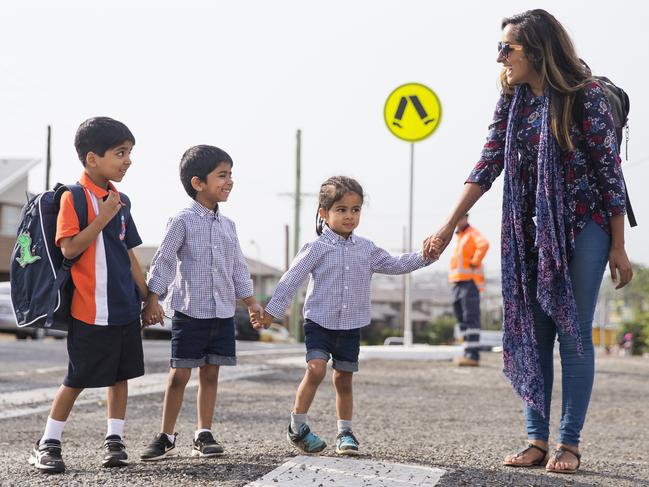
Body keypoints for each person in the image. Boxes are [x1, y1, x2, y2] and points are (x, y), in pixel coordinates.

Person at [423, 9, 633, 475]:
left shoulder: (586, 98)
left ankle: (569, 443)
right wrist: (446, 225)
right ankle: (536, 440)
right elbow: (487, 164)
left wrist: (618, 245)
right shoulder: (513, 100)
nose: (499, 57)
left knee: (572, 333)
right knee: (533, 332)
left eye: (507, 48)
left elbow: (610, 174)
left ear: (537, 49)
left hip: (587, 226)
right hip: (531, 229)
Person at [259, 176, 435, 456]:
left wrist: (426, 257)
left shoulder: (366, 249)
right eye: (341, 209)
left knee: (343, 379)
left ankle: (345, 432)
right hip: (319, 321)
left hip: (351, 325)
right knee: (315, 369)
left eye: (355, 210)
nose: (349, 216)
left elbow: (395, 263)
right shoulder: (315, 247)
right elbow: (292, 278)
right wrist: (271, 312)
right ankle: (298, 425)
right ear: (324, 213)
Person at [29, 117, 147, 473]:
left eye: (129, 153)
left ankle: (115, 440)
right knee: (77, 377)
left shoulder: (120, 199)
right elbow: (68, 249)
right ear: (92, 159)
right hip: (88, 308)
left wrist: (149, 296)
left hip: (124, 307)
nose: (127, 161)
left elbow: (128, 253)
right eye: (120, 153)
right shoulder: (74, 197)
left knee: (121, 375)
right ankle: (48, 442)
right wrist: (101, 217)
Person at [139, 145, 264, 461]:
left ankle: (203, 433)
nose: (229, 181)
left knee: (211, 373)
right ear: (198, 183)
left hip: (222, 312)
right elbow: (164, 261)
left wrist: (250, 302)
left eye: (230, 175)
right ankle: (166, 435)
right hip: (189, 311)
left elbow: (238, 266)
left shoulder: (229, 226)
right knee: (179, 374)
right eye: (222, 175)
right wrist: (152, 299)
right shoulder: (181, 221)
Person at [449, 213, 489, 366]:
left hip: (469, 282)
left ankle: (473, 355)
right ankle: (467, 352)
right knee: (462, 320)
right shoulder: (459, 236)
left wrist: (475, 261)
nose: (458, 220)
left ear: (466, 218)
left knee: (470, 319)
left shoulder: (472, 233)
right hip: (457, 282)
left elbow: (484, 244)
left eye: (460, 217)